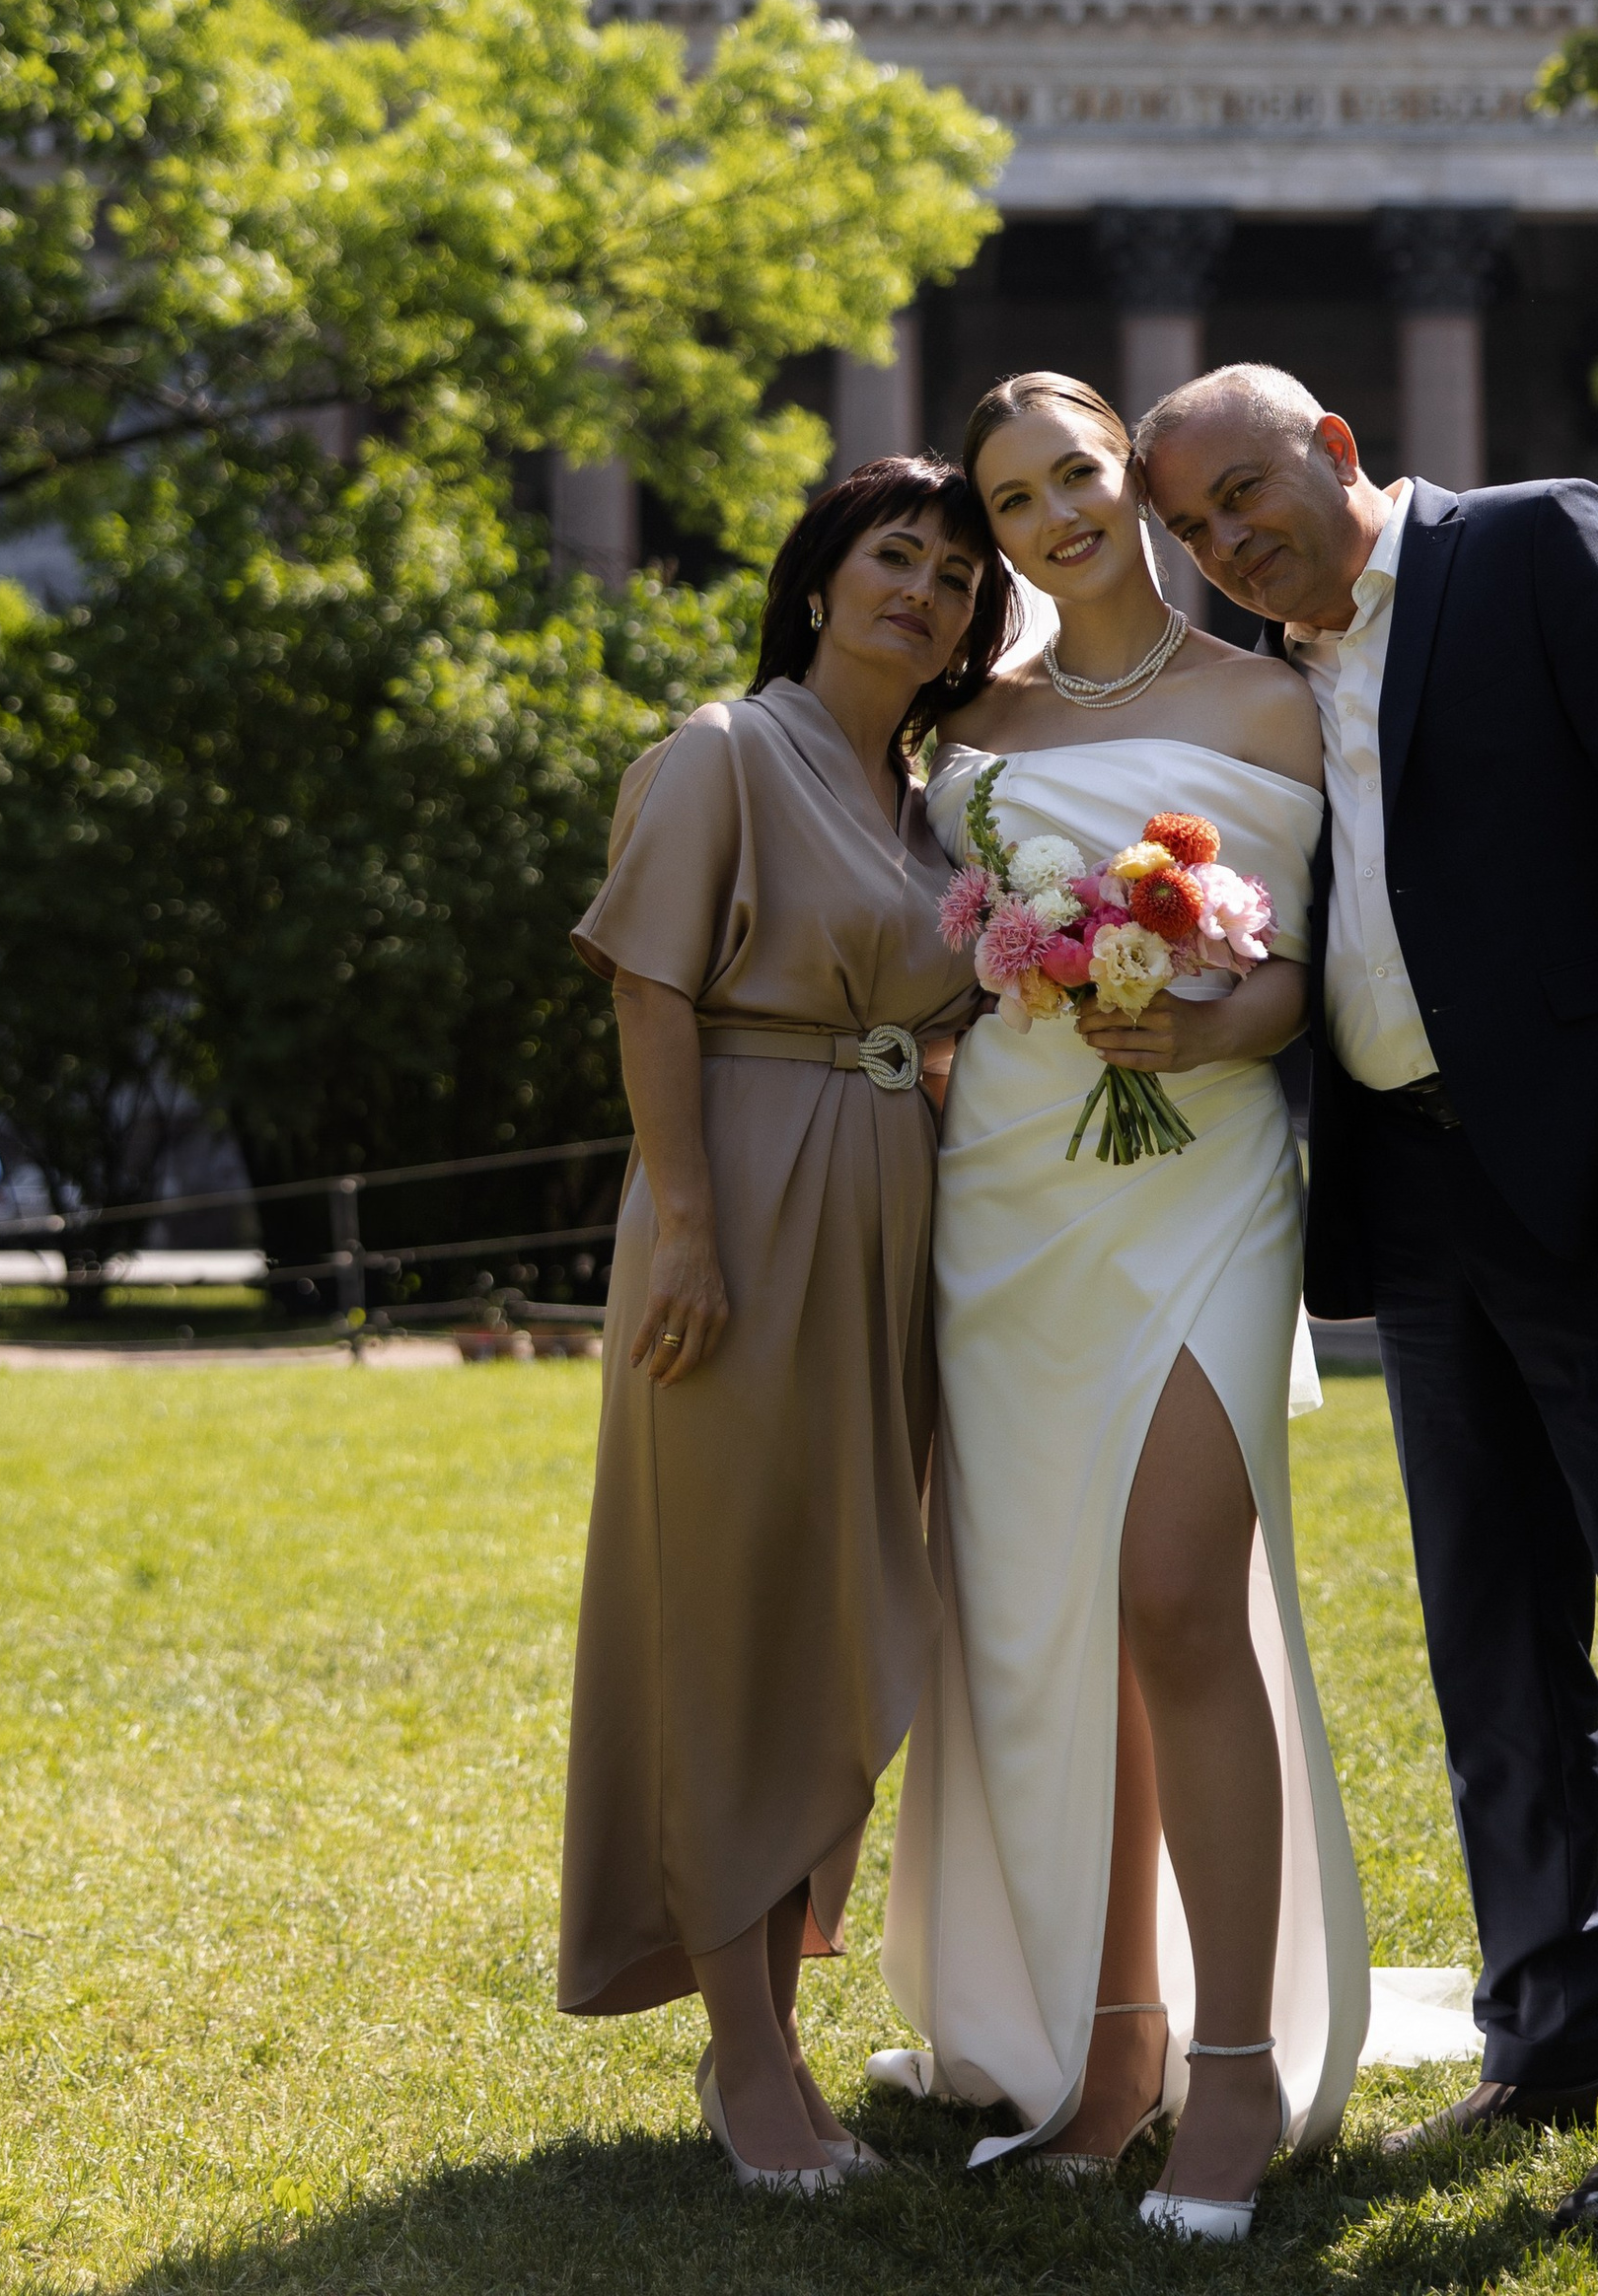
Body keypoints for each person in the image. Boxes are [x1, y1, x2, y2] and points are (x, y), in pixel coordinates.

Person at [1138, 365, 1598, 2252]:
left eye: (1244, 494)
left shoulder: (1539, 545)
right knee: (1490, 1641)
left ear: (1339, 448)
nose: (1223, 542)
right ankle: (1552, 2022)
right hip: (1415, 1196)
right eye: (1189, 526)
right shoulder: (1272, 669)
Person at [881, 371, 1368, 2246]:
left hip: (1207, 1198)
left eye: (1074, 474)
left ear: (1129, 482)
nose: (1053, 517)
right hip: (1008, 1208)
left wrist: (1207, 1009)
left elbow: (1304, 984)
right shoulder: (967, 733)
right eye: (1010, 502)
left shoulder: (1276, 699)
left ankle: (1234, 2075)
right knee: (1050, 1630)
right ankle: (1110, 2048)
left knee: (1177, 1596)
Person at [558, 456, 1009, 2192]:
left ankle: (782, 2036)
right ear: (818, 583)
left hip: (894, 1225)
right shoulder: (722, 754)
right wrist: (686, 1224)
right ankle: (744, 2054)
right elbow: (652, 983)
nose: (926, 592)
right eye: (894, 558)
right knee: (727, 1615)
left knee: (835, 1609)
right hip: (738, 1204)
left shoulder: (933, 806)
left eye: (959, 578)